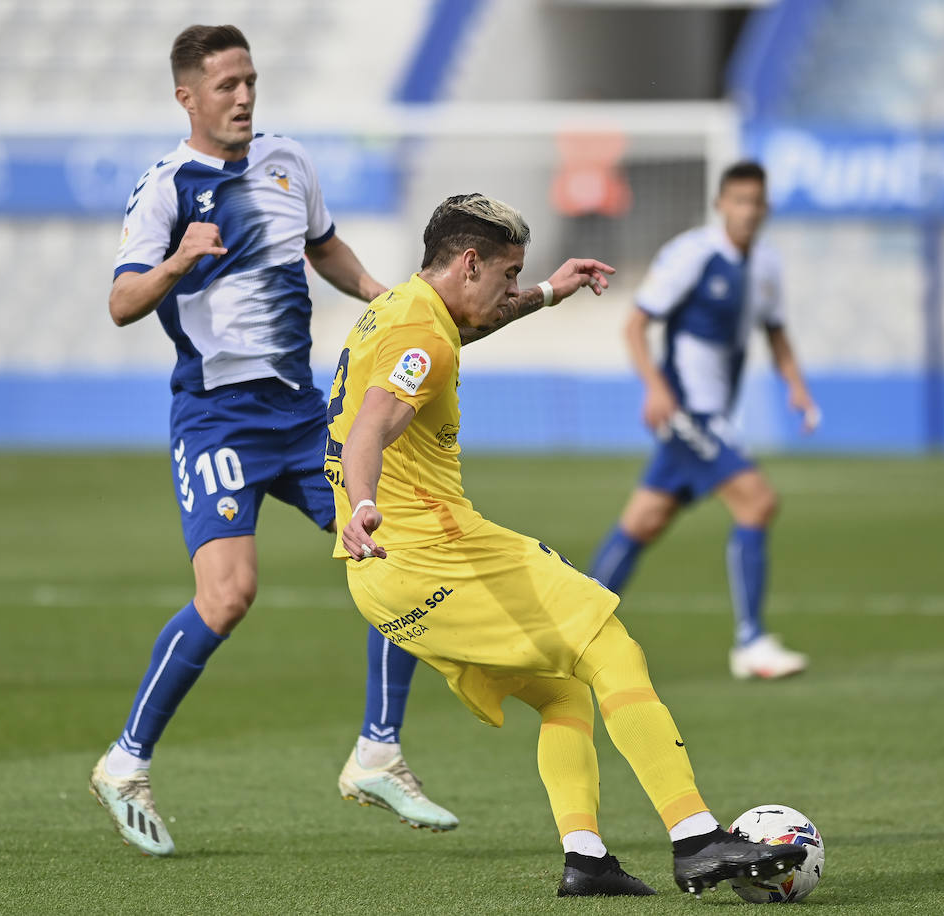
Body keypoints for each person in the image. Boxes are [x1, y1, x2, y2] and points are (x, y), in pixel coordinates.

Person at [326, 193, 807, 896]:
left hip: (380, 583)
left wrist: (551, 292)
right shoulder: (423, 338)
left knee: (563, 697)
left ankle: (585, 858)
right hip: (438, 551)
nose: (513, 288)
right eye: (509, 273)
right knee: (611, 648)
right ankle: (697, 838)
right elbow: (371, 426)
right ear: (468, 263)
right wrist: (365, 502)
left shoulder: (400, 311)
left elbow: (456, 337)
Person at [88, 24, 455, 857]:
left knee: (396, 549)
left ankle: (379, 751)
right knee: (228, 594)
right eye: (226, 85)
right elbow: (119, 303)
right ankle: (125, 763)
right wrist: (180, 261)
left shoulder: (288, 161)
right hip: (218, 416)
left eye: (250, 80)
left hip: (299, 414)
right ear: (188, 96)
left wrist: (377, 293)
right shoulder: (166, 189)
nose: (245, 96)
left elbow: (323, 247)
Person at [588, 161, 818, 680]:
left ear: (766, 208)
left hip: (712, 413)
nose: (747, 211)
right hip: (687, 410)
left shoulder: (765, 265)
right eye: (738, 201)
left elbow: (775, 331)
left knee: (644, 521)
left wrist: (797, 387)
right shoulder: (692, 255)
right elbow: (635, 325)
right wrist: (655, 388)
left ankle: (571, 627)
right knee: (758, 501)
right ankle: (751, 642)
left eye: (755, 202)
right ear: (720, 205)